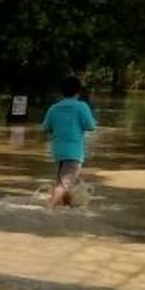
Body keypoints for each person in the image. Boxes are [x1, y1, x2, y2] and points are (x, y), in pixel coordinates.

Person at [40, 76, 97, 209]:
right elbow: (91, 126)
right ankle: (49, 209)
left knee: (61, 182)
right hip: (74, 153)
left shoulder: (54, 108)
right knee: (65, 184)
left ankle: (61, 209)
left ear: (62, 91)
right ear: (78, 91)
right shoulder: (81, 107)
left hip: (58, 151)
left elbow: (46, 127)